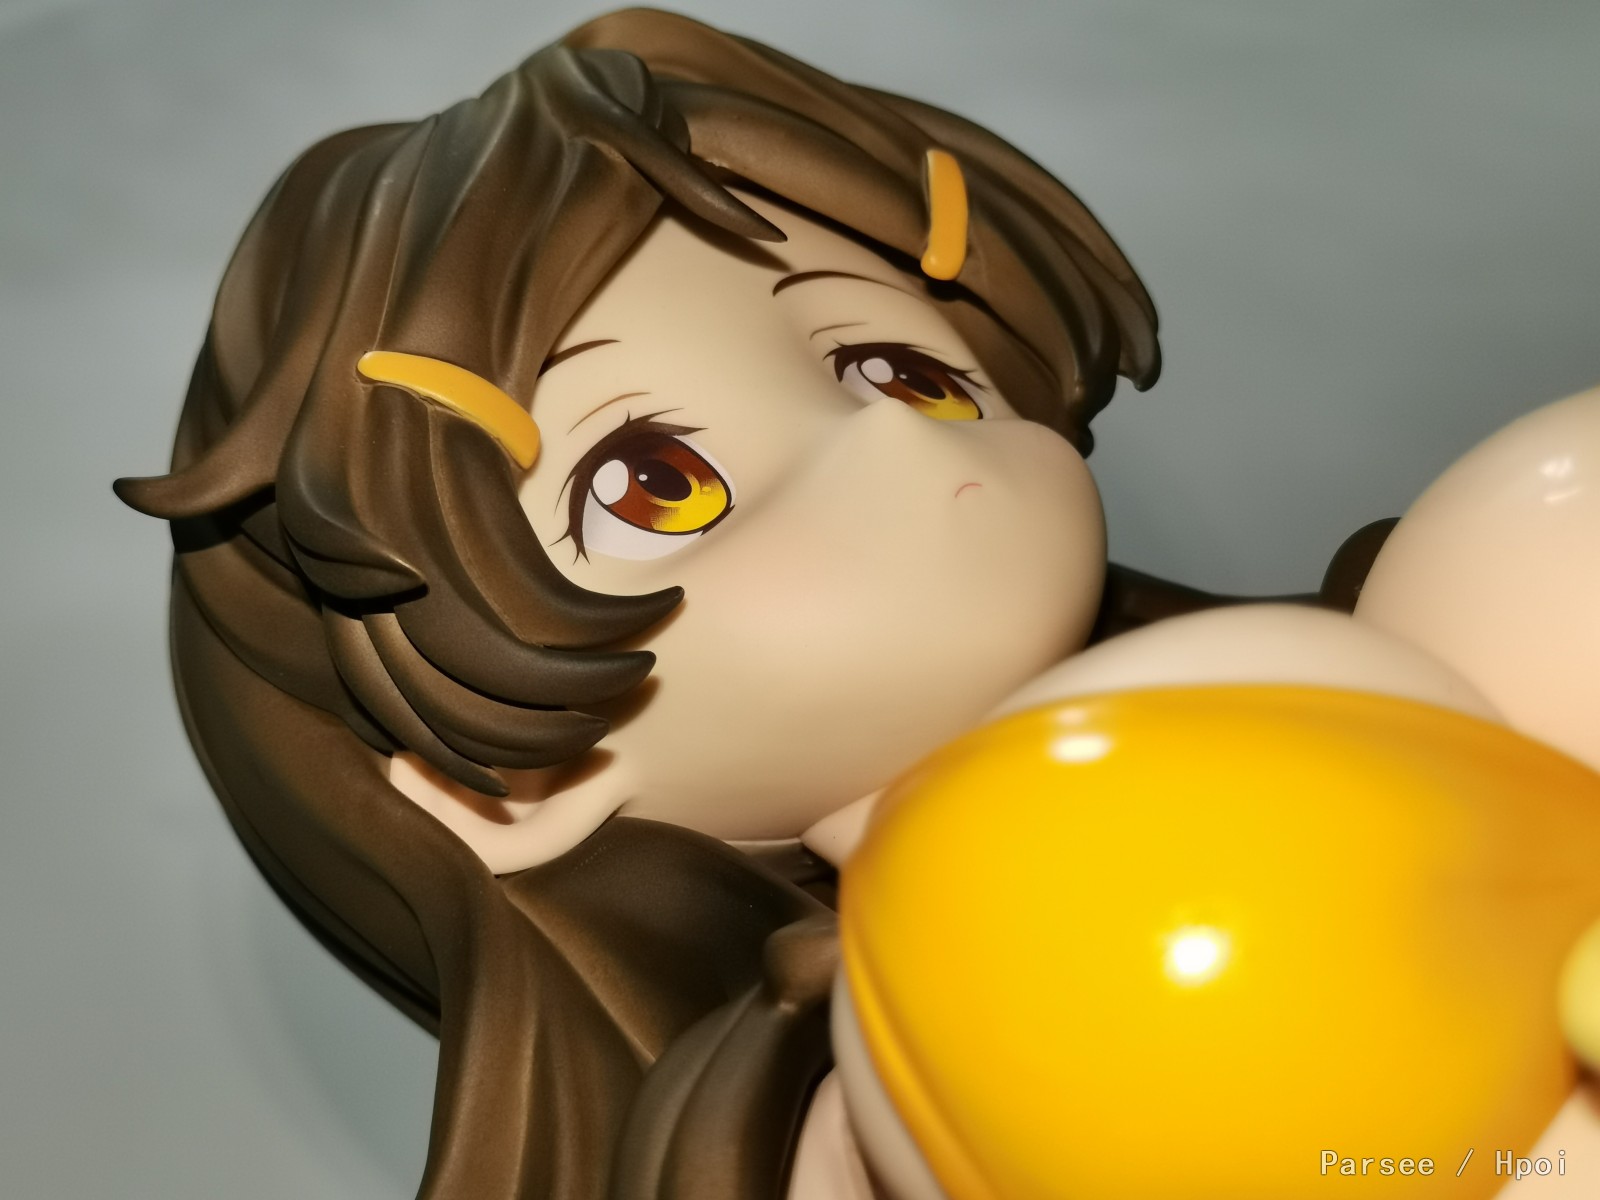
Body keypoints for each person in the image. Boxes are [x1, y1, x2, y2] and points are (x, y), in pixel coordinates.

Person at [115, 9, 1162, 1198]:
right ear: (501, 794)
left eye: (900, 373)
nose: (893, 437)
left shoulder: (1260, 684)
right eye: (659, 484)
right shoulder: (849, 1111)